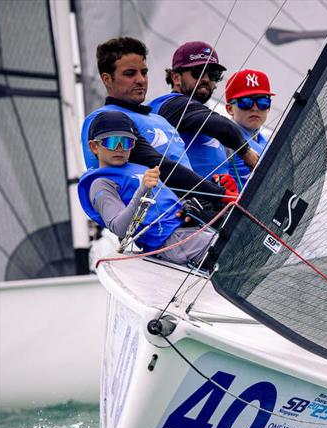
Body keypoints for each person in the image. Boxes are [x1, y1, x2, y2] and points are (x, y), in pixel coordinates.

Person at [79, 36, 232, 208]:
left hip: (192, 213)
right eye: (130, 73)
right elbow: (158, 166)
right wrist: (218, 194)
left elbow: (182, 168)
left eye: (144, 72)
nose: (141, 80)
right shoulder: (103, 118)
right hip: (161, 224)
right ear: (107, 79)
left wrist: (216, 184)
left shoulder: (158, 119)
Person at [78, 111, 214, 266]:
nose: (120, 148)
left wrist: (189, 206)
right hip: (173, 242)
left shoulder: (140, 169)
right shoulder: (101, 184)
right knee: (237, 252)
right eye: (112, 141)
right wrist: (142, 190)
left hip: (194, 231)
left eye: (127, 142)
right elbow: (119, 228)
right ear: (94, 146)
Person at [149, 41, 260, 181]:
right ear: (176, 78)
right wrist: (246, 151)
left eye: (214, 74)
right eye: (198, 72)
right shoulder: (170, 104)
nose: (206, 79)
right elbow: (224, 127)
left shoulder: (200, 113)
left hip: (217, 199)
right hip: (186, 200)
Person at [223, 69, 275, 189]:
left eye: (263, 102)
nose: (255, 108)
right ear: (229, 109)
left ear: (269, 108)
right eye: (246, 102)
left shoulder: (270, 143)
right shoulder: (221, 140)